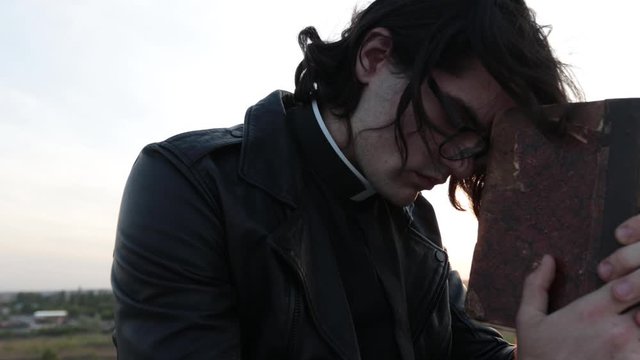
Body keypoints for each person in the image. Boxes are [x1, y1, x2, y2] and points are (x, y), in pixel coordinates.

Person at [111, 0, 640, 358]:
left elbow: (463, 348)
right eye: (453, 122)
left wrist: (593, 324)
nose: (458, 164)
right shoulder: (191, 186)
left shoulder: (418, 221)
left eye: (483, 148)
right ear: (375, 56)